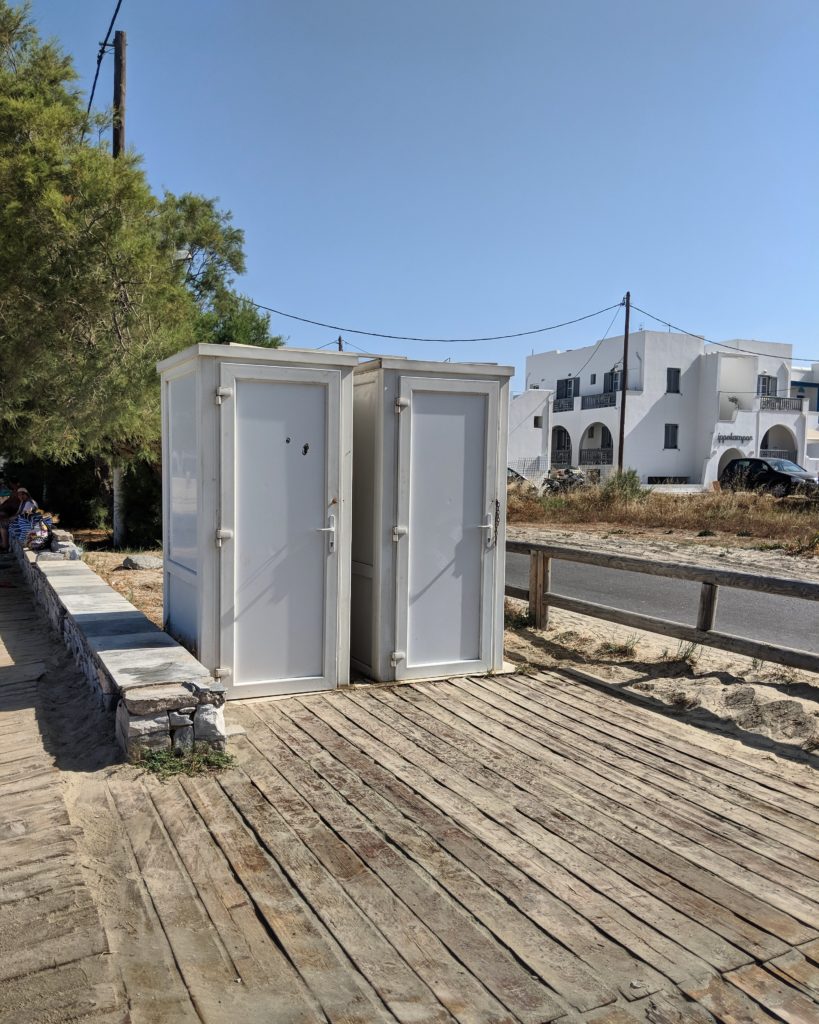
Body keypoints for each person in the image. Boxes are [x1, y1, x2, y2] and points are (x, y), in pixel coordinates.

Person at [0, 482, 22, 552]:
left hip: (20, 520)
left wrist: (12, 517)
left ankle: (4, 545)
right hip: (14, 517)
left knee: (3, 524)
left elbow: (23, 514)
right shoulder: (22, 501)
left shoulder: (27, 503)